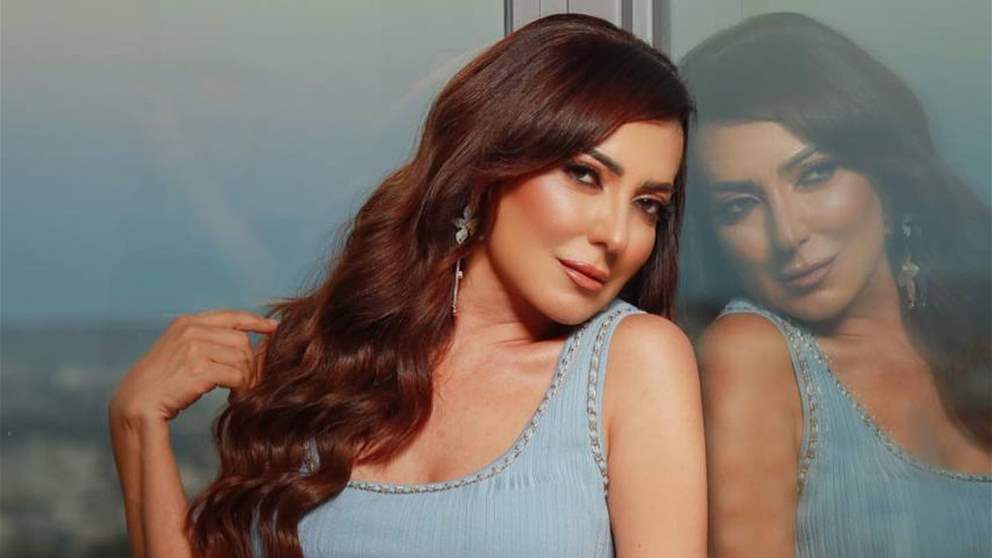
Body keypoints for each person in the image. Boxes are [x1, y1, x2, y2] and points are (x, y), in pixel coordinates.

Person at [109, 14, 706, 558]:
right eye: (584, 175)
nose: (617, 235)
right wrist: (137, 424)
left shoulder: (632, 362)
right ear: (488, 165)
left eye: (648, 204)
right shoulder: (318, 363)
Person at [677, 12, 992, 557]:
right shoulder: (751, 356)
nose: (788, 234)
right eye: (739, 206)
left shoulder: (970, 326)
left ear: (886, 175)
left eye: (815, 174)